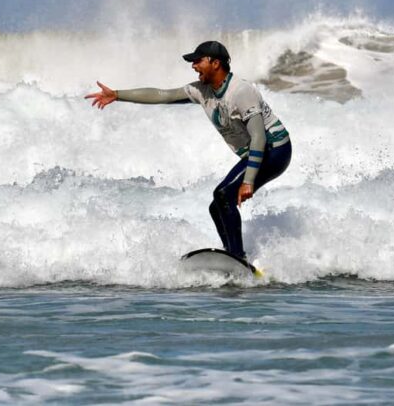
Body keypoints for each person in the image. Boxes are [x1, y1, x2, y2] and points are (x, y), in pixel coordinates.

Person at [85, 41, 291, 260]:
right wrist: (117, 94)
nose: (193, 66)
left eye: (198, 61)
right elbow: (163, 95)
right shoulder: (202, 90)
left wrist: (248, 181)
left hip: (274, 150)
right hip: (256, 153)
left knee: (223, 195)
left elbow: (259, 137)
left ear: (215, 63)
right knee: (217, 206)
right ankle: (233, 257)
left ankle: (238, 258)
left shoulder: (241, 92)